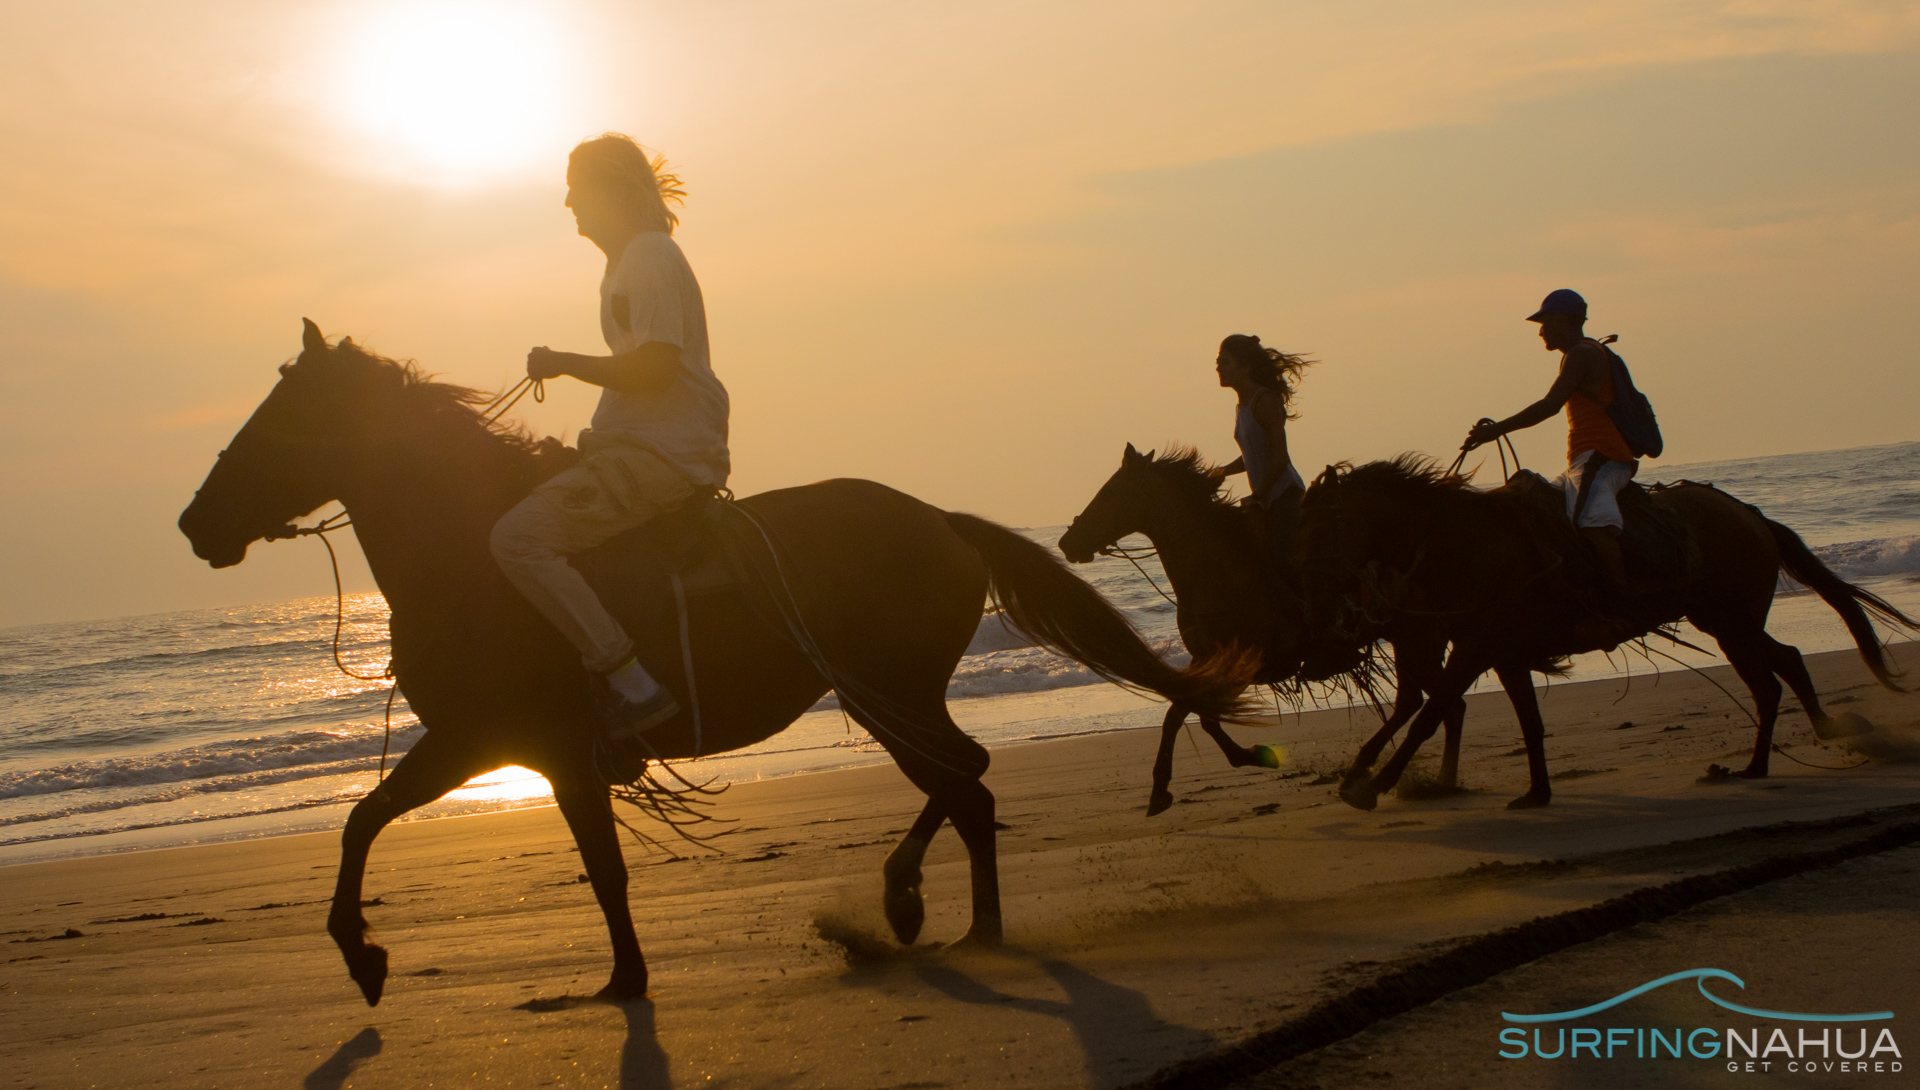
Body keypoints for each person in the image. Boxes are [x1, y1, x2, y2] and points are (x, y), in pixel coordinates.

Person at [489, 134, 730, 741]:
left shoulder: (648, 255)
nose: (568, 202)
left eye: (577, 189)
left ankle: (632, 684)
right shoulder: (627, 261)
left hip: (663, 454)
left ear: (610, 192)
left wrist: (566, 360)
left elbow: (655, 368)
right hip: (638, 443)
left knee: (517, 540)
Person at [1464, 288, 1646, 598]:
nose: (1540, 332)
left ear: (1562, 320)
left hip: (1603, 456)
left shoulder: (1582, 354)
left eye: (1544, 323)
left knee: (1590, 523)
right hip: (1584, 460)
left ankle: (1621, 599)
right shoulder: (1580, 354)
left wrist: (1496, 431)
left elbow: (1550, 405)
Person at [1215, 334, 1312, 558]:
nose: (1219, 368)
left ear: (1245, 366)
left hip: (1285, 498)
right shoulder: (1242, 404)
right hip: (1267, 500)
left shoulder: (1264, 401)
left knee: (1284, 564)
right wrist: (1224, 471)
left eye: (1225, 362)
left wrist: (1257, 496)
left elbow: (1280, 459)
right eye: (1217, 363)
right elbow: (1254, 455)